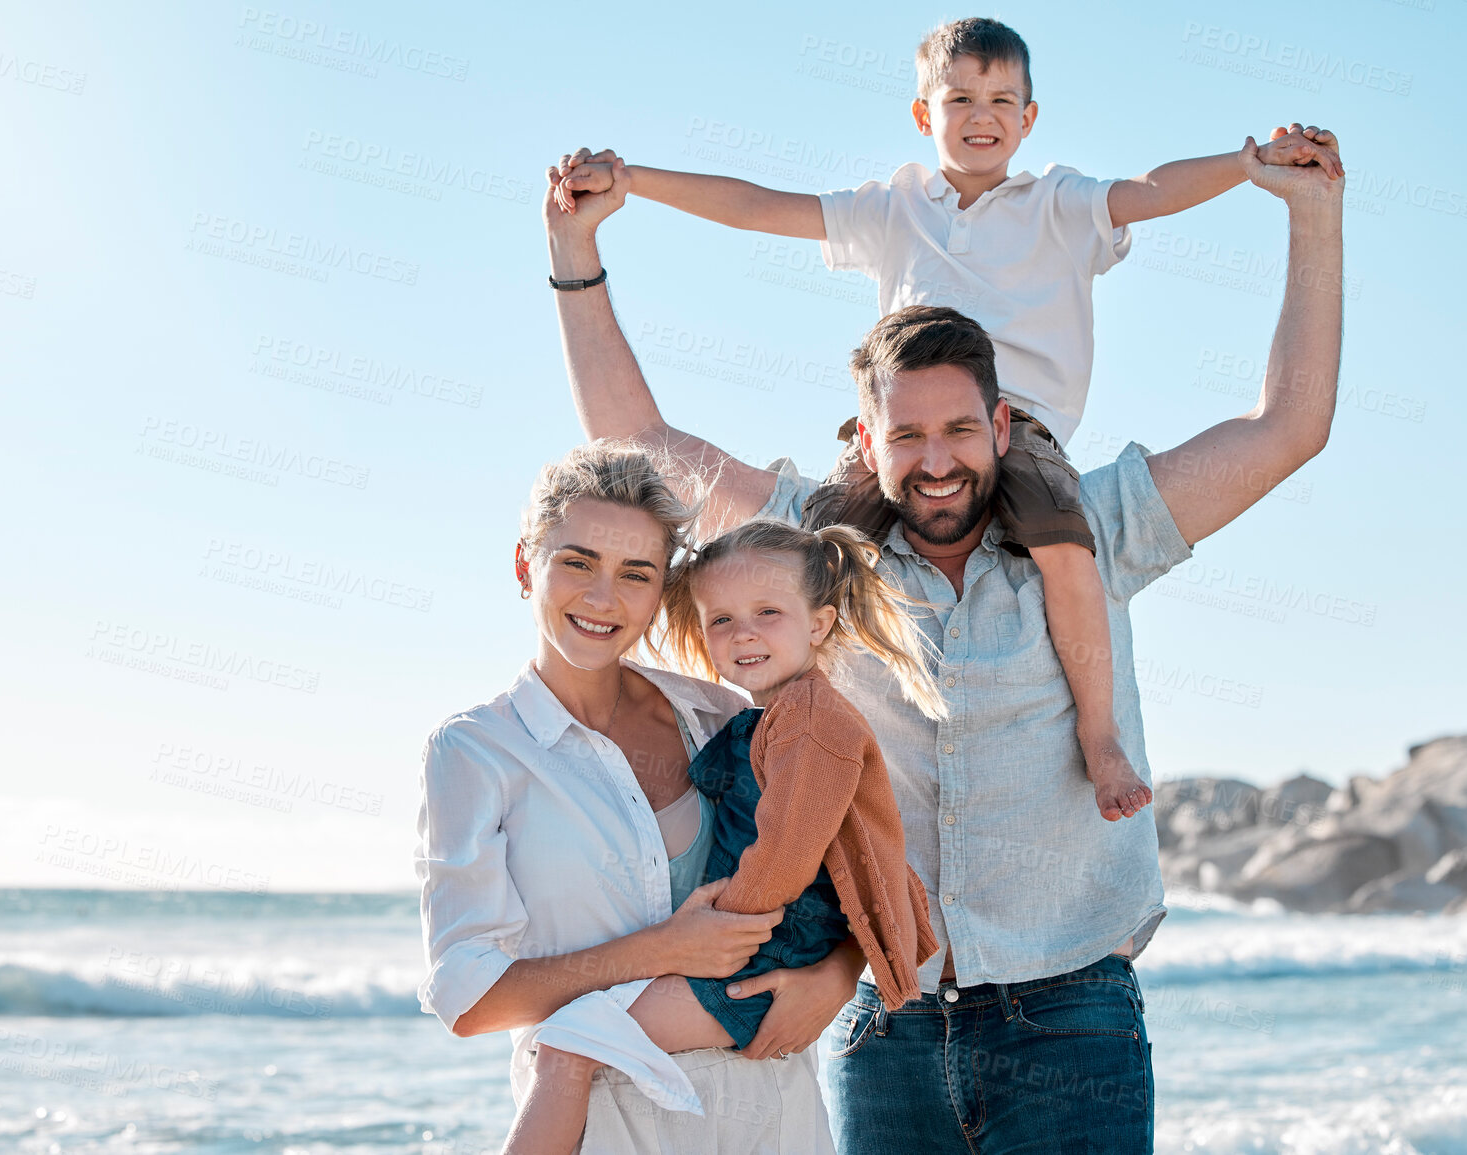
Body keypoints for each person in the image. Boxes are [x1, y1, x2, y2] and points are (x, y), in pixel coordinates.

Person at [540, 108, 1343, 1151]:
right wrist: (576, 254)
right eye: (906, 435)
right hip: (889, 1025)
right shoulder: (811, 552)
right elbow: (640, 442)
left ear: (1002, 427)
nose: (936, 460)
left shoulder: (1100, 525)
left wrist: (1312, 217)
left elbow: (1290, 426)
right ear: (865, 441)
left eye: (962, 429)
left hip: (1076, 1022)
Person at [552, 16, 1340, 824]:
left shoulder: (1060, 204)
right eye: (958, 97)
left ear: (1029, 118)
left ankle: (1099, 737)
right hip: (888, 944)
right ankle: (786, 762)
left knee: (1069, 556)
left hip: (1030, 432)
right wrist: (632, 183)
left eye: (1001, 99)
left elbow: (1154, 190)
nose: (980, 114)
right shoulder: (894, 208)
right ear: (923, 114)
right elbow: (761, 207)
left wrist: (1251, 168)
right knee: (814, 566)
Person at [416, 442, 860, 1153]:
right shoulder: (475, 751)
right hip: (606, 1124)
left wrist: (837, 977)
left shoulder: (719, 714)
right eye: (577, 561)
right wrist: (660, 948)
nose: (602, 598)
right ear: (526, 564)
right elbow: (469, 998)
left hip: (771, 1109)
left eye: (636, 573)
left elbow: (843, 856)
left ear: (661, 591)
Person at [505, 519, 945, 1154]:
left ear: (817, 624)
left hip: (764, 957)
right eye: (721, 620)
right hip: (760, 947)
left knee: (567, 1046)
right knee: (574, 1041)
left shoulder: (816, 724)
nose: (743, 633)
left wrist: (710, 938)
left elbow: (786, 856)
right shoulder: (768, 715)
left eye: (768, 612)